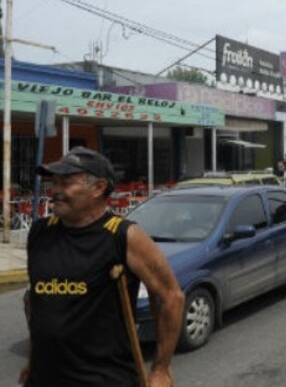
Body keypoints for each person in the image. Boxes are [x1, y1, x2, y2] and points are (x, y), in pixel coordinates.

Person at [21, 147, 185, 387]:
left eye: (65, 183)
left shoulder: (124, 236)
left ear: (98, 188)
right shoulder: (40, 232)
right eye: (53, 182)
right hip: (43, 378)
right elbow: (35, 302)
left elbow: (171, 297)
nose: (54, 191)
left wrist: (161, 369)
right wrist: (32, 359)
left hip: (104, 380)